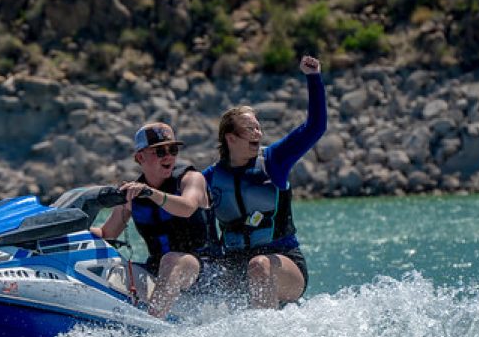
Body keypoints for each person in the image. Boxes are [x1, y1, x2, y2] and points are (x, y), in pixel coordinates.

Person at [202, 55, 327, 309]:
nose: (258, 133)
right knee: (209, 276)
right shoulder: (210, 179)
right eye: (250, 129)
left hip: (283, 265)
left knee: (258, 266)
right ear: (230, 138)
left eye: (258, 128)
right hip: (234, 264)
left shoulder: (274, 161)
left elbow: (315, 127)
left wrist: (313, 78)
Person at [91, 122, 218, 318]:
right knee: (112, 269)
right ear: (140, 157)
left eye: (173, 149)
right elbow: (108, 233)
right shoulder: (133, 193)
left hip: (203, 269)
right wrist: (75, 231)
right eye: (159, 151)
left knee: (171, 260)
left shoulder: (191, 179)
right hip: (156, 269)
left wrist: (151, 193)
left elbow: (187, 207)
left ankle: (152, 326)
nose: (168, 156)